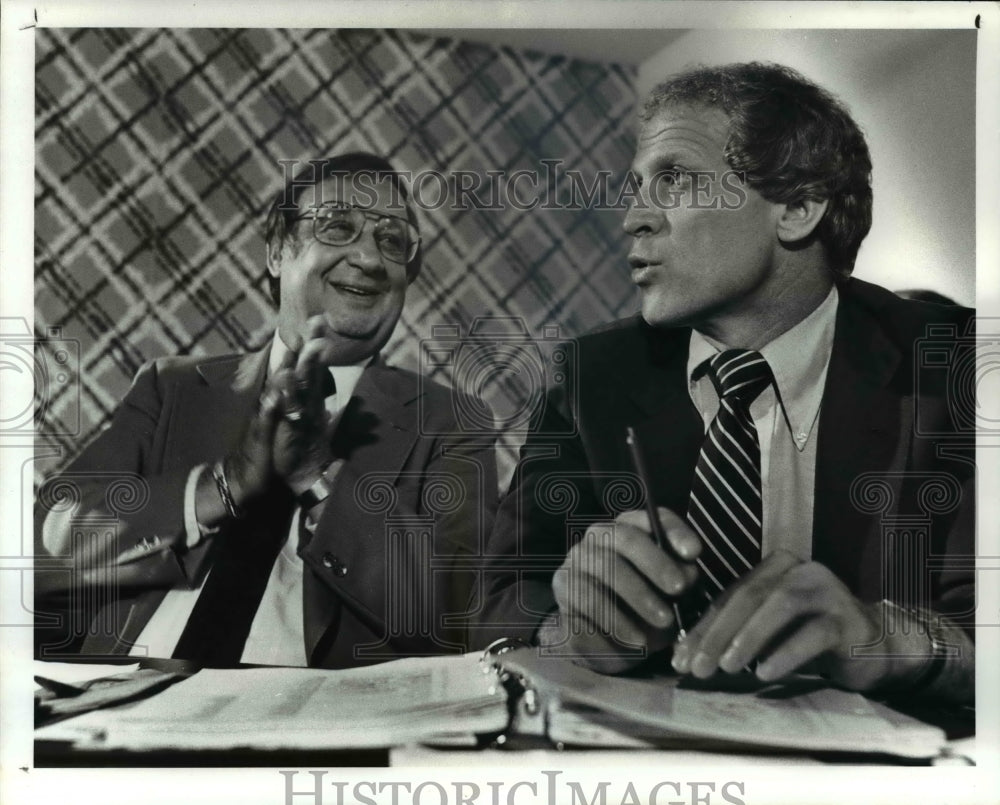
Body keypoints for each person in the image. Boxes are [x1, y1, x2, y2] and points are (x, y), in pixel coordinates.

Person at [477, 63, 974, 703]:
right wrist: (565, 633)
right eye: (637, 188)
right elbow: (496, 607)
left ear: (797, 207)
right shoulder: (587, 378)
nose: (632, 219)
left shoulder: (959, 366)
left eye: (673, 179)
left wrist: (892, 640)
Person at [36, 152, 497, 669]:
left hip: (312, 723)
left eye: (391, 240)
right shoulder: (174, 389)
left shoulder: (450, 422)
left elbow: (462, 617)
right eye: (338, 226)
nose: (370, 259)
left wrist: (319, 479)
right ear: (278, 251)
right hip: (130, 700)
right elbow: (40, 549)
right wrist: (225, 485)